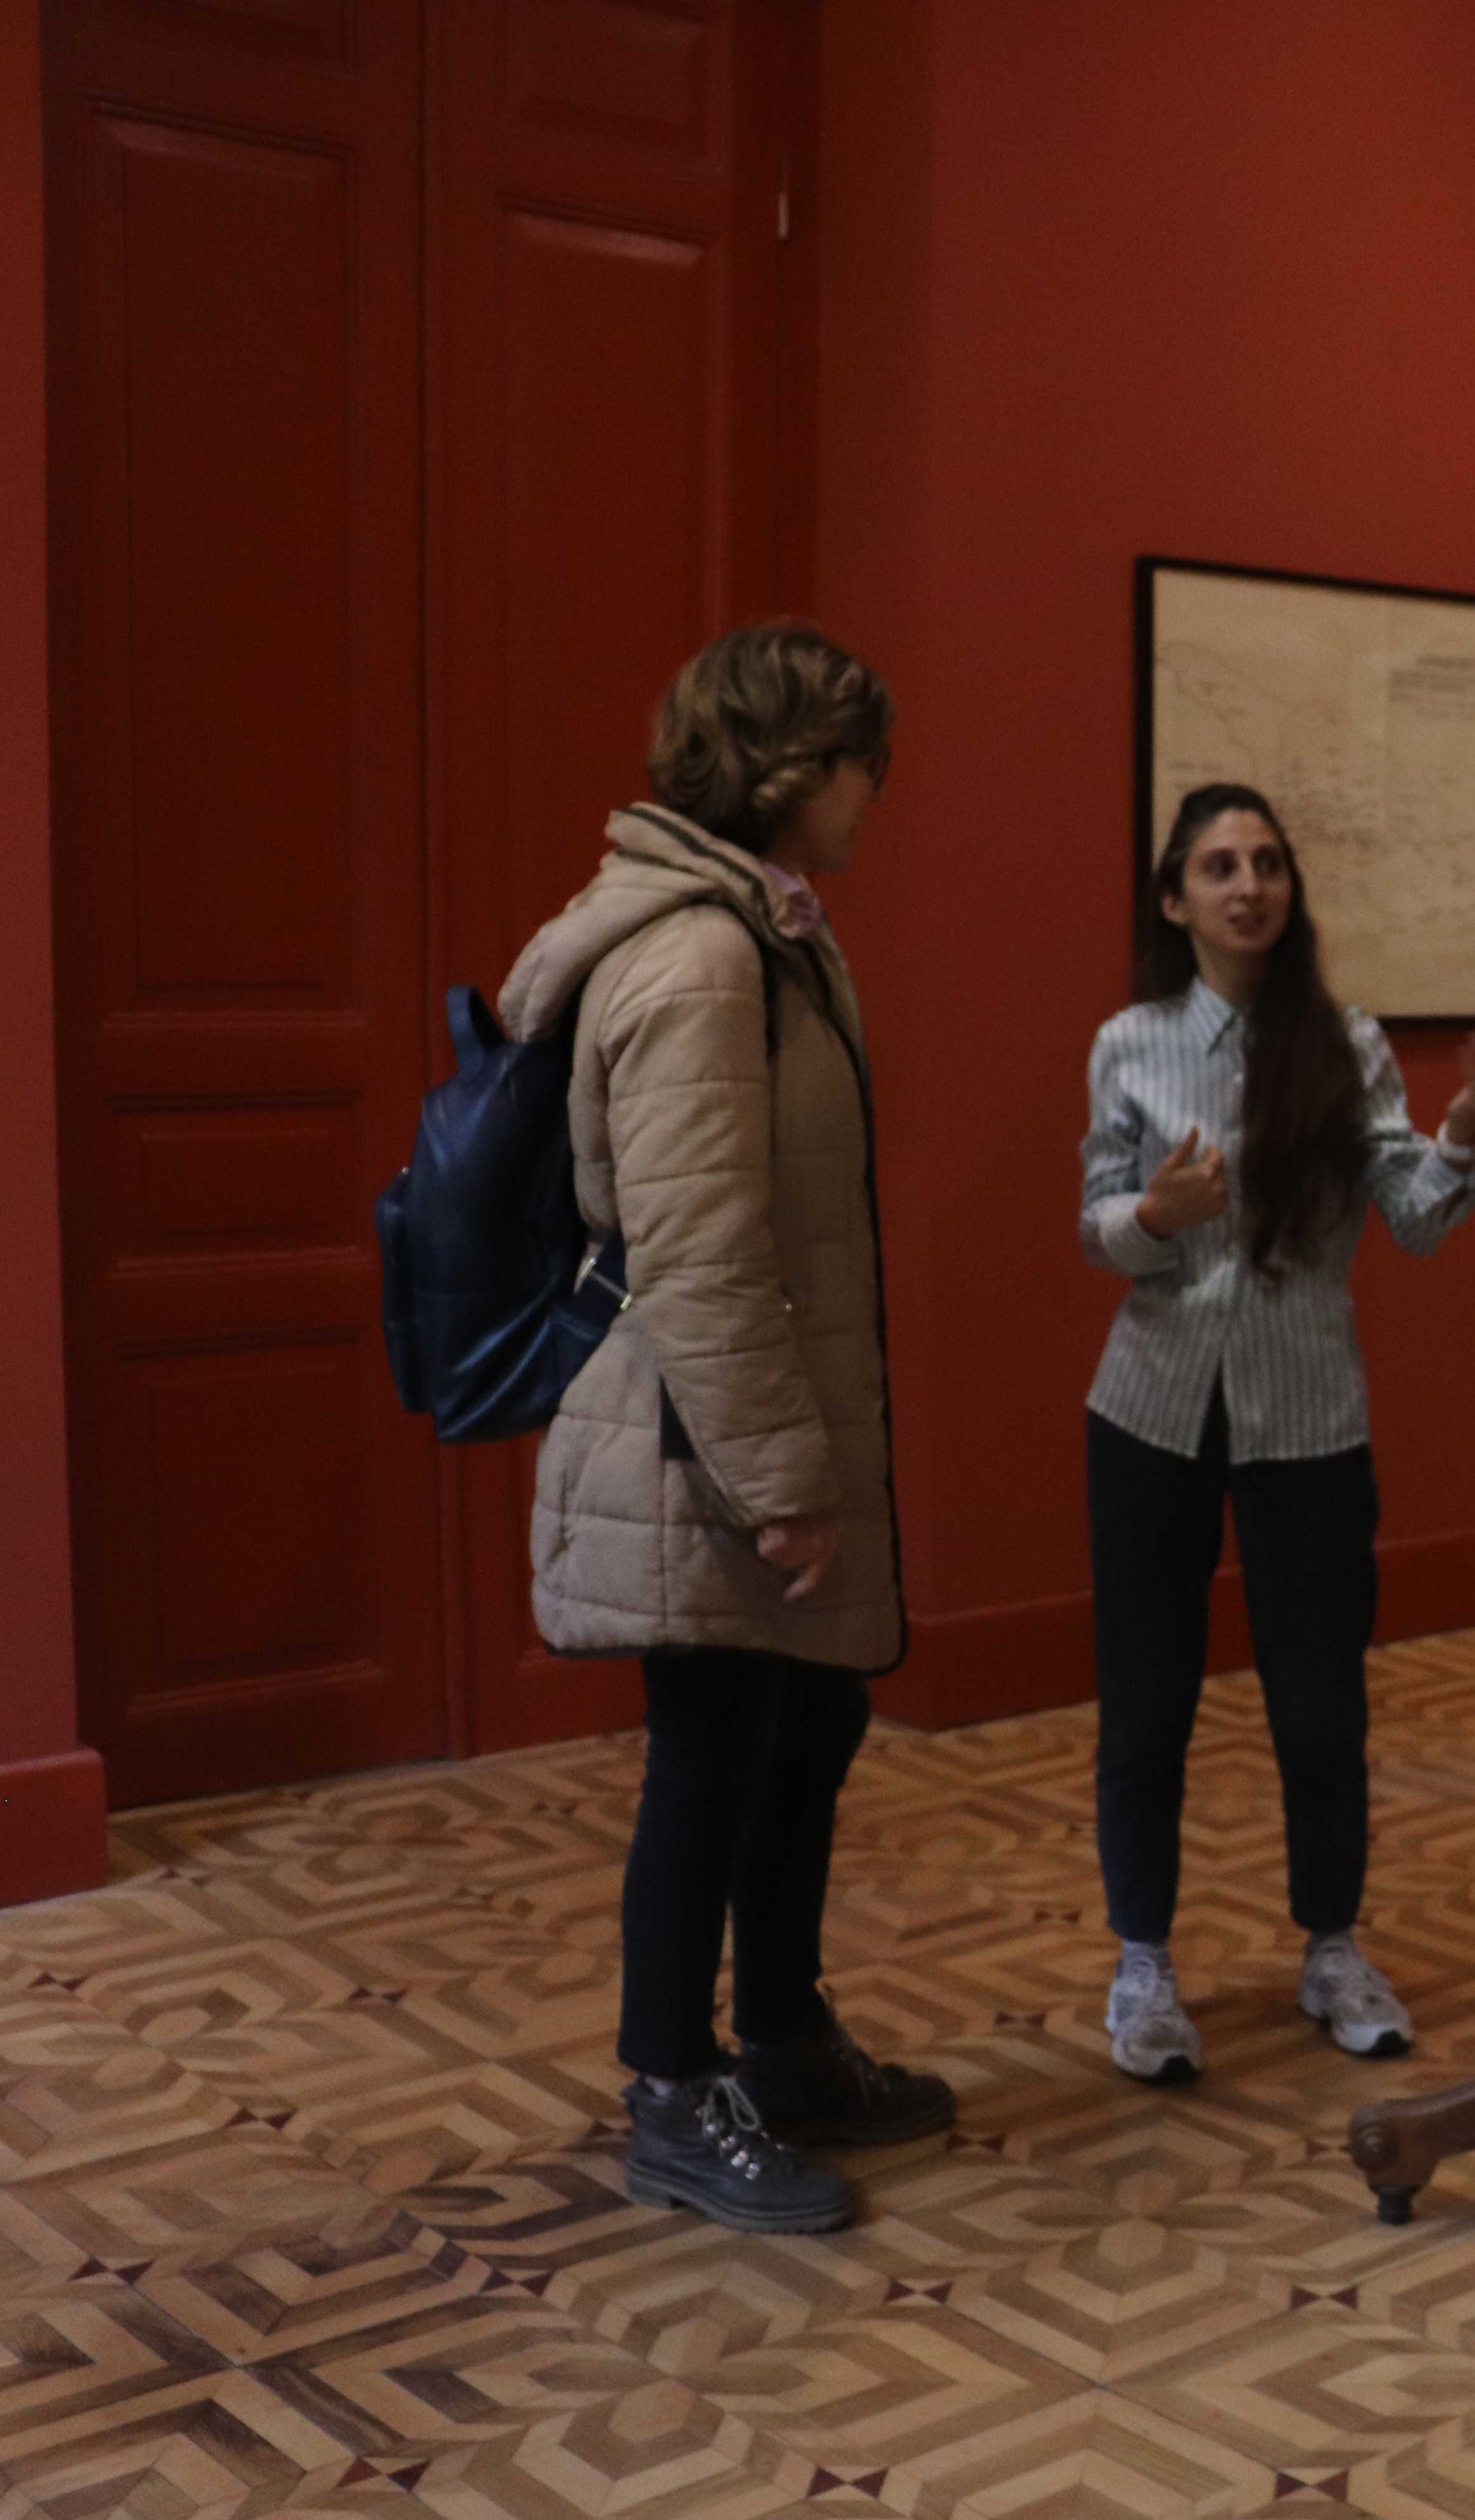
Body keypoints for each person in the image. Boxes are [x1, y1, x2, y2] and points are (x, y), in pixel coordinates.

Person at [497, 622, 951, 2234]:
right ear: (791, 768)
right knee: (709, 1753)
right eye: (861, 764)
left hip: (739, 1419)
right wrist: (779, 1480)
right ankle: (675, 2094)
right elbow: (698, 1250)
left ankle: (783, 2038)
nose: (874, 792)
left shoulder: (760, 930)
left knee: (806, 1725)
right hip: (697, 1436)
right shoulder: (699, 957)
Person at [1077, 782, 1475, 2083]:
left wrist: (1464, 1125)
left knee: (1321, 1703)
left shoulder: (1347, 1043)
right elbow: (1094, 1222)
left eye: (1267, 863)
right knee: (1146, 1703)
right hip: (1151, 1409)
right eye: (1220, 866)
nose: (1249, 885)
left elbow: (1417, 1220)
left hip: (1309, 1414)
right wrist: (1153, 1218)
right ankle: (1144, 1964)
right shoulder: (1129, 1042)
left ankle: (1332, 1947)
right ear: (1176, 899)